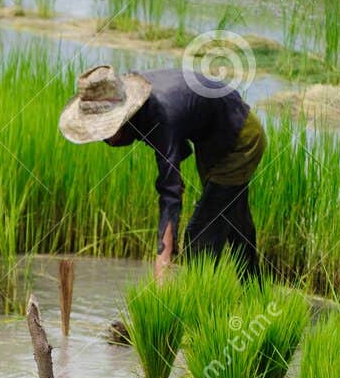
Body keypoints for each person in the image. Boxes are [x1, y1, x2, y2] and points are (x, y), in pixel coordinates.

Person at [59, 65, 266, 280]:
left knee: (200, 235)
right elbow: (173, 154)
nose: (108, 140)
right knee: (234, 223)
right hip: (213, 139)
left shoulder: (159, 114)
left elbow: (171, 192)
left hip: (240, 138)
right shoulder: (138, 108)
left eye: (108, 131)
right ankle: (254, 292)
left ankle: (198, 306)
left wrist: (162, 259)